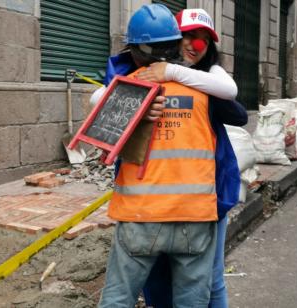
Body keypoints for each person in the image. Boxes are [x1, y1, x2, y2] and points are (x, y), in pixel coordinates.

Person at [96, 5, 247, 307]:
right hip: (195, 215)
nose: (196, 45)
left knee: (118, 299)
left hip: (140, 215)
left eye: (203, 39)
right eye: (189, 36)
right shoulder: (207, 93)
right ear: (176, 40)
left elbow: (100, 131)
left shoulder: (128, 85)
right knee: (193, 299)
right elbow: (237, 111)